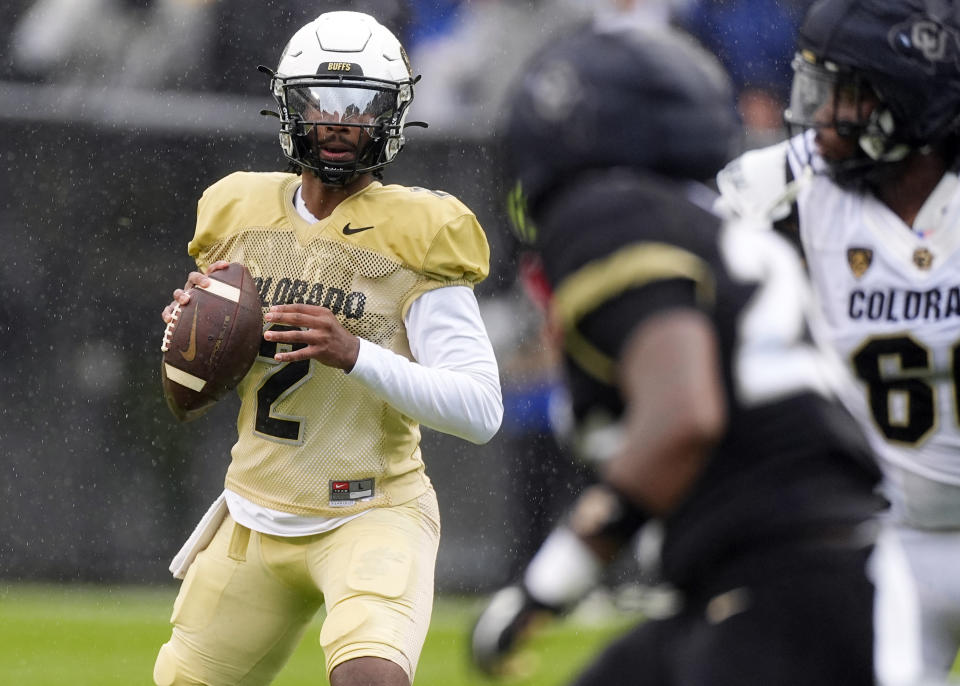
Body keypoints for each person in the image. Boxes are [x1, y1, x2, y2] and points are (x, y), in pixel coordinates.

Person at [469, 18, 886, 686]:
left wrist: (547, 585)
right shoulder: (697, 221)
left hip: (781, 586)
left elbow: (683, 417)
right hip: (808, 574)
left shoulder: (607, 209)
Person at [153, 11, 503, 686]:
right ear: (290, 108)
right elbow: (200, 372)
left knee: (369, 679)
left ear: (389, 117)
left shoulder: (420, 231)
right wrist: (190, 333)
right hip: (253, 515)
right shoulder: (237, 212)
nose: (339, 122)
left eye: (360, 107)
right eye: (323, 104)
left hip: (369, 513)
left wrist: (357, 354)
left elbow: (482, 410)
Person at [713, 0, 960, 683]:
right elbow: (685, 267)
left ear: (911, 97)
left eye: (844, 94)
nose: (818, 117)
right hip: (885, 538)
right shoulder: (789, 186)